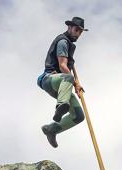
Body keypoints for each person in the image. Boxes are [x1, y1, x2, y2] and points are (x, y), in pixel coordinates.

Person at [37, 17, 88, 148]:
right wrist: (76, 85)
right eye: (76, 30)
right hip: (49, 79)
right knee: (69, 77)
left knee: (78, 116)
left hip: (60, 87)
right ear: (69, 27)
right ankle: (61, 106)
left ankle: (51, 129)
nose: (78, 34)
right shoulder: (63, 42)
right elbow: (63, 65)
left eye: (80, 32)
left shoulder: (69, 45)